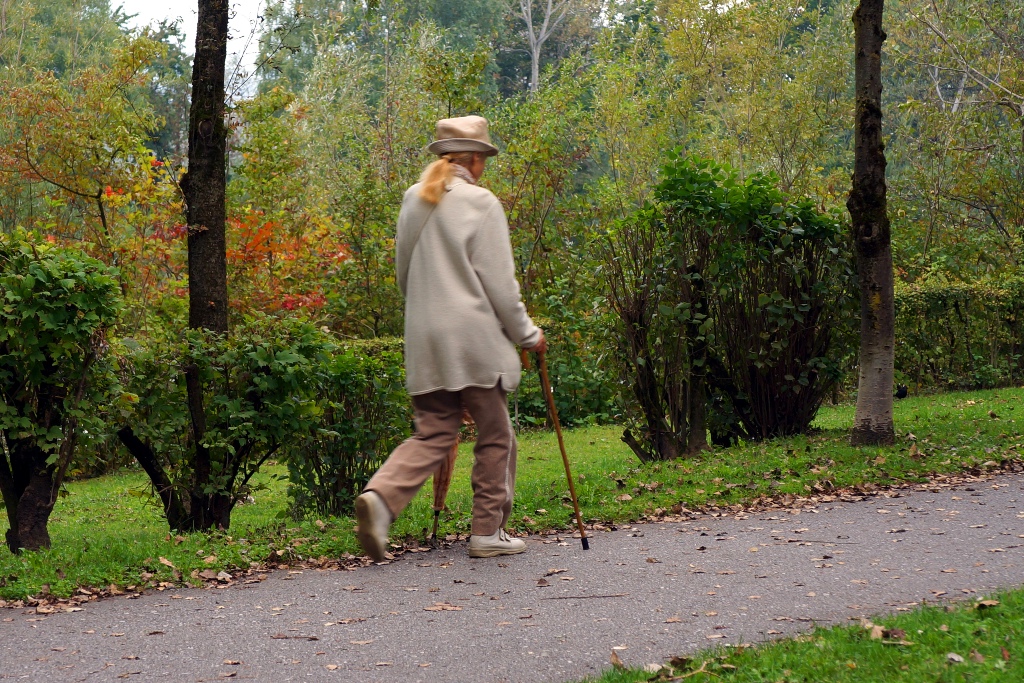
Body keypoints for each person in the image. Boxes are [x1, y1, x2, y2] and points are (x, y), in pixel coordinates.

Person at [355, 115, 546, 562]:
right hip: (473, 336)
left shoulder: (413, 200)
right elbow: (501, 285)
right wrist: (528, 334)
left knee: (434, 432)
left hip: (425, 334)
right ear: (476, 160)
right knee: (495, 433)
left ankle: (381, 500)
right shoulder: (481, 203)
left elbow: (403, 276)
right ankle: (487, 531)